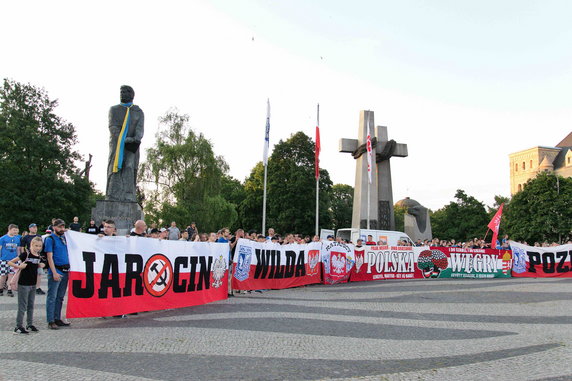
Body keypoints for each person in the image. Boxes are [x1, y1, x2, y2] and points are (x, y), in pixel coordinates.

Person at [106, 85, 144, 202]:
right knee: (115, 167)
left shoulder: (138, 111)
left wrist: (135, 139)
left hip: (132, 146)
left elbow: (140, 129)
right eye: (121, 92)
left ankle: (129, 195)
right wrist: (124, 140)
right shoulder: (114, 109)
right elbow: (113, 128)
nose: (122, 94)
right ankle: (112, 195)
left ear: (132, 95)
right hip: (117, 146)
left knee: (129, 167)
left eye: (125, 92)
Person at [8, 236, 45, 334]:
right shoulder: (26, 254)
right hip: (23, 283)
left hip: (33, 284)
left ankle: (29, 324)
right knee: (22, 306)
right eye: (36, 246)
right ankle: (18, 326)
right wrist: (19, 266)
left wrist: (42, 265)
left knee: (31, 305)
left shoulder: (38, 255)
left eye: (39, 246)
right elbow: (10, 262)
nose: (38, 248)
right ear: (31, 245)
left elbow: (43, 264)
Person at [44, 219, 71, 330]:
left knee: (60, 297)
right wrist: (54, 272)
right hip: (56, 271)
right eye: (59, 227)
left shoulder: (64, 238)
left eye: (63, 227)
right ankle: (51, 320)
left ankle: (57, 318)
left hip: (65, 270)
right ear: (54, 227)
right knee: (52, 297)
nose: (61, 229)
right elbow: (49, 257)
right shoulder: (50, 239)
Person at [19, 223, 46, 295]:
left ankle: (37, 287)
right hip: (29, 256)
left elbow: (41, 246)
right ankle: (27, 285)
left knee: (39, 272)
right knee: (28, 272)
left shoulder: (39, 236)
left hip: (37, 256)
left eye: (36, 227)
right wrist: (23, 257)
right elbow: (22, 247)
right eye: (33, 227)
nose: (35, 228)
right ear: (29, 228)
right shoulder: (26, 237)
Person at [0, 224, 21, 297]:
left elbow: (18, 249)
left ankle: (9, 289)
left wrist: (19, 258)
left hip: (13, 260)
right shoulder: (3, 238)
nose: (15, 231)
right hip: (4, 259)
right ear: (9, 229)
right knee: (3, 275)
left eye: (16, 230)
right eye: (14, 230)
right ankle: (1, 288)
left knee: (11, 275)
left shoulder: (17, 239)